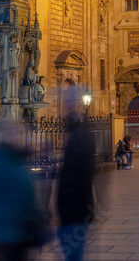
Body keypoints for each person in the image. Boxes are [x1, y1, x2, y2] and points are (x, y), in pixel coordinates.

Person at [0, 120, 46, 261]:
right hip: (12, 233)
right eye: (15, 134)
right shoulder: (7, 164)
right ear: (6, 137)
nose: (18, 137)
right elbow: (23, 197)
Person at [56, 107, 96, 261]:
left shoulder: (78, 144)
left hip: (74, 214)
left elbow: (77, 180)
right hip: (76, 214)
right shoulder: (80, 141)